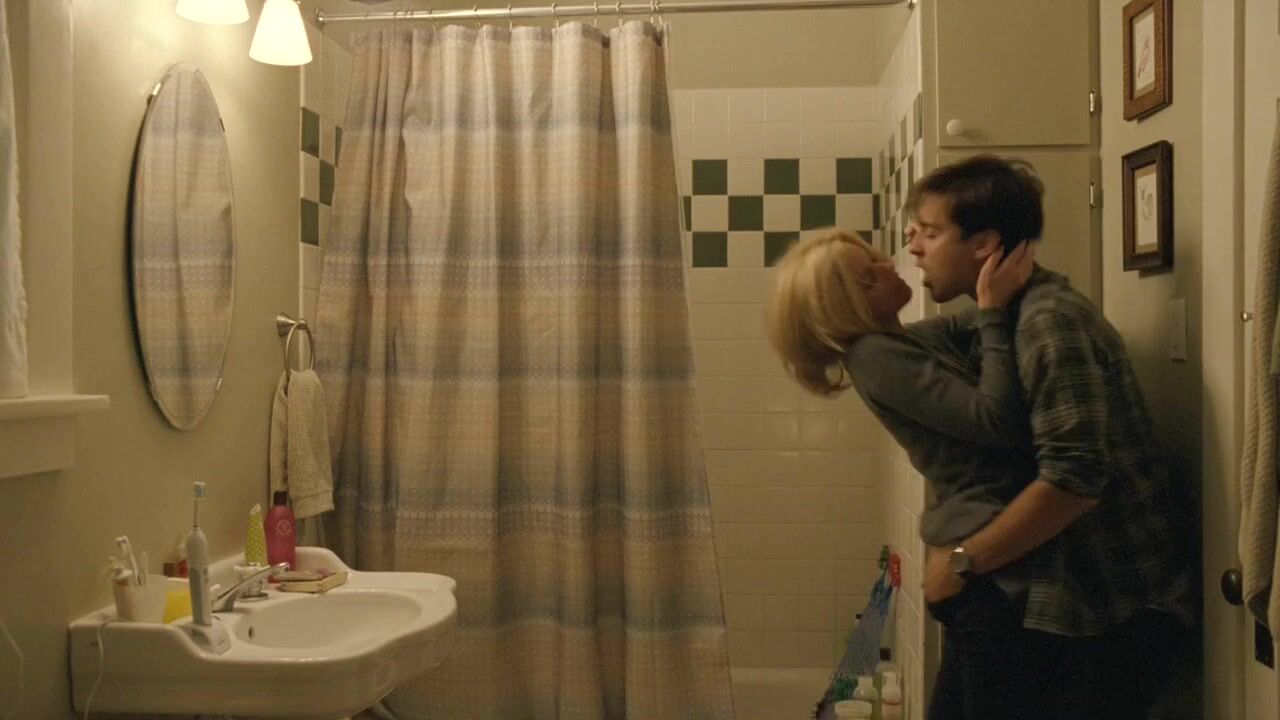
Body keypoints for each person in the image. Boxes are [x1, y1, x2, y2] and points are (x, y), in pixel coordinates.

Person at [904, 154, 1195, 720]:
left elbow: (1074, 479)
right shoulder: (1003, 315)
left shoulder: (1050, 321)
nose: (914, 247)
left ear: (984, 245)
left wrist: (961, 562)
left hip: (1114, 611)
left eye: (931, 233)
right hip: (1064, 598)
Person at [767, 227, 1045, 717]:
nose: (889, 265)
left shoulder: (899, 343)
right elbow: (996, 420)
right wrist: (991, 309)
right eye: (868, 275)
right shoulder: (875, 355)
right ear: (848, 305)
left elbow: (968, 326)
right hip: (983, 564)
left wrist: (991, 288)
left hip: (978, 552)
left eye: (876, 259)